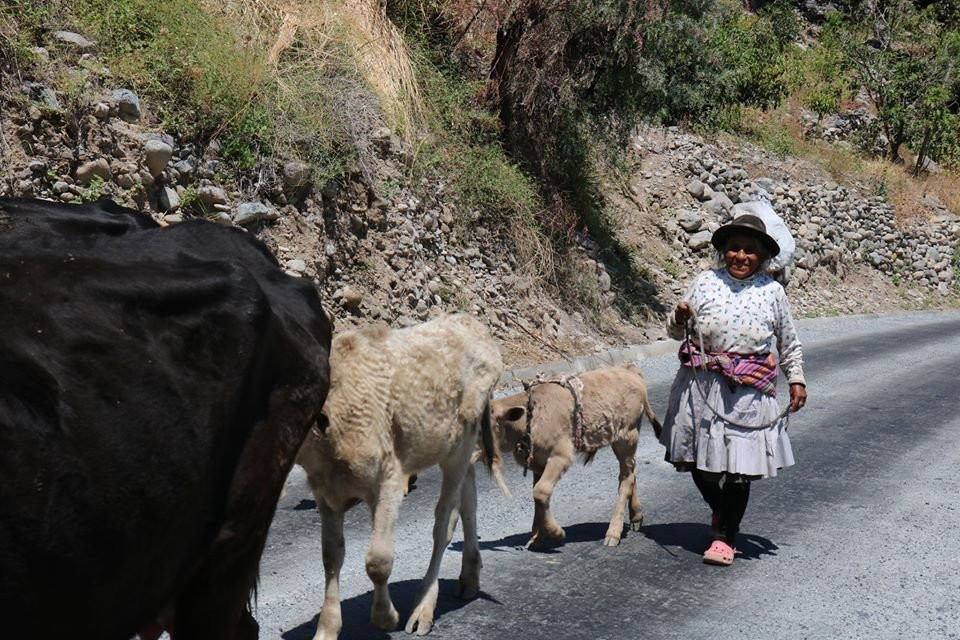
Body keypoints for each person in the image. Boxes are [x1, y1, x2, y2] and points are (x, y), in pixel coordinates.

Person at [659, 214, 807, 566]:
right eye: (734, 248)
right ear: (724, 251)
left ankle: (725, 537)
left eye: (750, 251)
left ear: (762, 257)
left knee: (740, 472)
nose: (741, 256)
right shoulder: (705, 282)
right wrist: (679, 317)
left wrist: (796, 378)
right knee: (701, 465)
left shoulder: (772, 292)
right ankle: (721, 511)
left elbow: (788, 341)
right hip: (702, 384)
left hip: (748, 390)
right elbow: (675, 332)